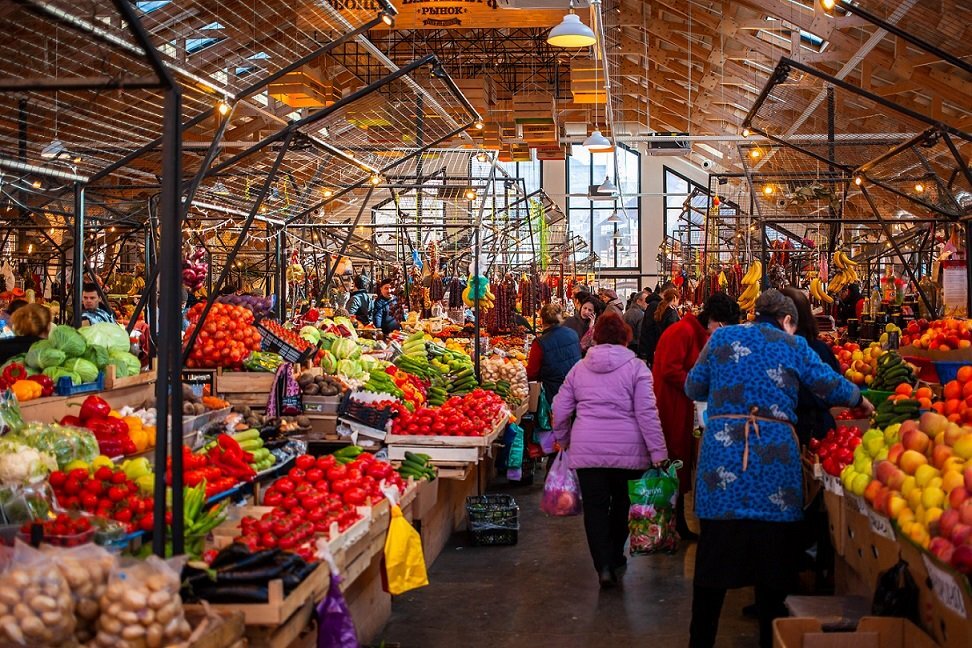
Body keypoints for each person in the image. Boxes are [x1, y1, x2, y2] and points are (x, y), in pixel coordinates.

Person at [684, 289, 873, 648]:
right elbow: (828, 383)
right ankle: (771, 639)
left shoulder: (722, 337)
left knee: (712, 565)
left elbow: (693, 385)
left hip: (721, 462)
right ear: (788, 321)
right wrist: (860, 401)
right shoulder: (795, 345)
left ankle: (700, 641)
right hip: (774, 466)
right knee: (773, 570)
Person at [552, 312, 668, 588]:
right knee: (621, 505)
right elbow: (647, 413)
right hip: (629, 452)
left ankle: (602, 565)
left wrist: (563, 438)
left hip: (587, 450)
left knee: (594, 508)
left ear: (597, 338)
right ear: (625, 337)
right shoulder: (638, 368)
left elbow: (559, 407)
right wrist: (659, 453)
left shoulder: (579, 368)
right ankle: (615, 554)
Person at [652, 292, 740, 541]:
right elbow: (670, 369)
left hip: (686, 405)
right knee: (675, 462)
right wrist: (699, 385)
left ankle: (677, 522)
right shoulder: (682, 332)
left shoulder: (696, 333)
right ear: (716, 320)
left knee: (681, 463)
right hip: (673, 406)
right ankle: (668, 525)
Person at [781, 287, 841, 445]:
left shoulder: (774, 352)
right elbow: (836, 388)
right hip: (820, 431)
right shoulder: (821, 349)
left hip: (790, 432)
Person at [525, 302, 581, 404]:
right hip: (574, 388)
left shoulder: (540, 342)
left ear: (542, 320)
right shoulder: (573, 334)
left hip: (553, 392)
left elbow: (532, 373)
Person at [638, 287, 679, 367]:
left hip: (657, 347)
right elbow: (672, 332)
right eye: (678, 299)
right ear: (674, 298)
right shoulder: (671, 312)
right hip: (665, 349)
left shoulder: (661, 310)